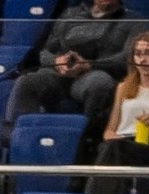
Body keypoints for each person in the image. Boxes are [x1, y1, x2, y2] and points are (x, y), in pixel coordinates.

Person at [10, 0, 141, 141]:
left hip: (97, 72)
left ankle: (87, 143)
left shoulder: (135, 20)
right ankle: (21, 139)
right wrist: (56, 61)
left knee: (99, 83)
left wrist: (89, 65)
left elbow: (128, 57)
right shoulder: (70, 14)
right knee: (27, 82)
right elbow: (45, 51)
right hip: (60, 72)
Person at [87, 32, 149, 194]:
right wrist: (113, 137)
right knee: (110, 147)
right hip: (121, 143)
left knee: (112, 151)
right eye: (138, 53)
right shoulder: (124, 87)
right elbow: (110, 130)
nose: (143, 59)